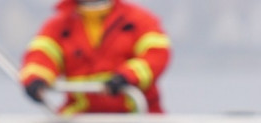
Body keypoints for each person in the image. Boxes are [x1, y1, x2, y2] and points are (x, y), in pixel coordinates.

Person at [19, 0, 171, 115]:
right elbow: (41, 57)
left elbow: (156, 55)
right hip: (80, 119)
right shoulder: (59, 26)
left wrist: (126, 78)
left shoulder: (138, 20)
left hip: (137, 116)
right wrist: (35, 80)